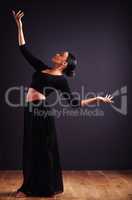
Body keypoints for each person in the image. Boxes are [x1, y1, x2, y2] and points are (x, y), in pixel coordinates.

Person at [12, 10, 114, 198]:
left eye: (61, 55)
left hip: (43, 113)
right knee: (30, 148)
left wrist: (98, 99)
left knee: (44, 150)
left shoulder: (61, 81)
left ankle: (46, 188)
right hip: (29, 111)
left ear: (64, 63)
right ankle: (26, 187)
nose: (57, 54)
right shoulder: (42, 67)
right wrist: (19, 25)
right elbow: (23, 49)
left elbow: (74, 103)